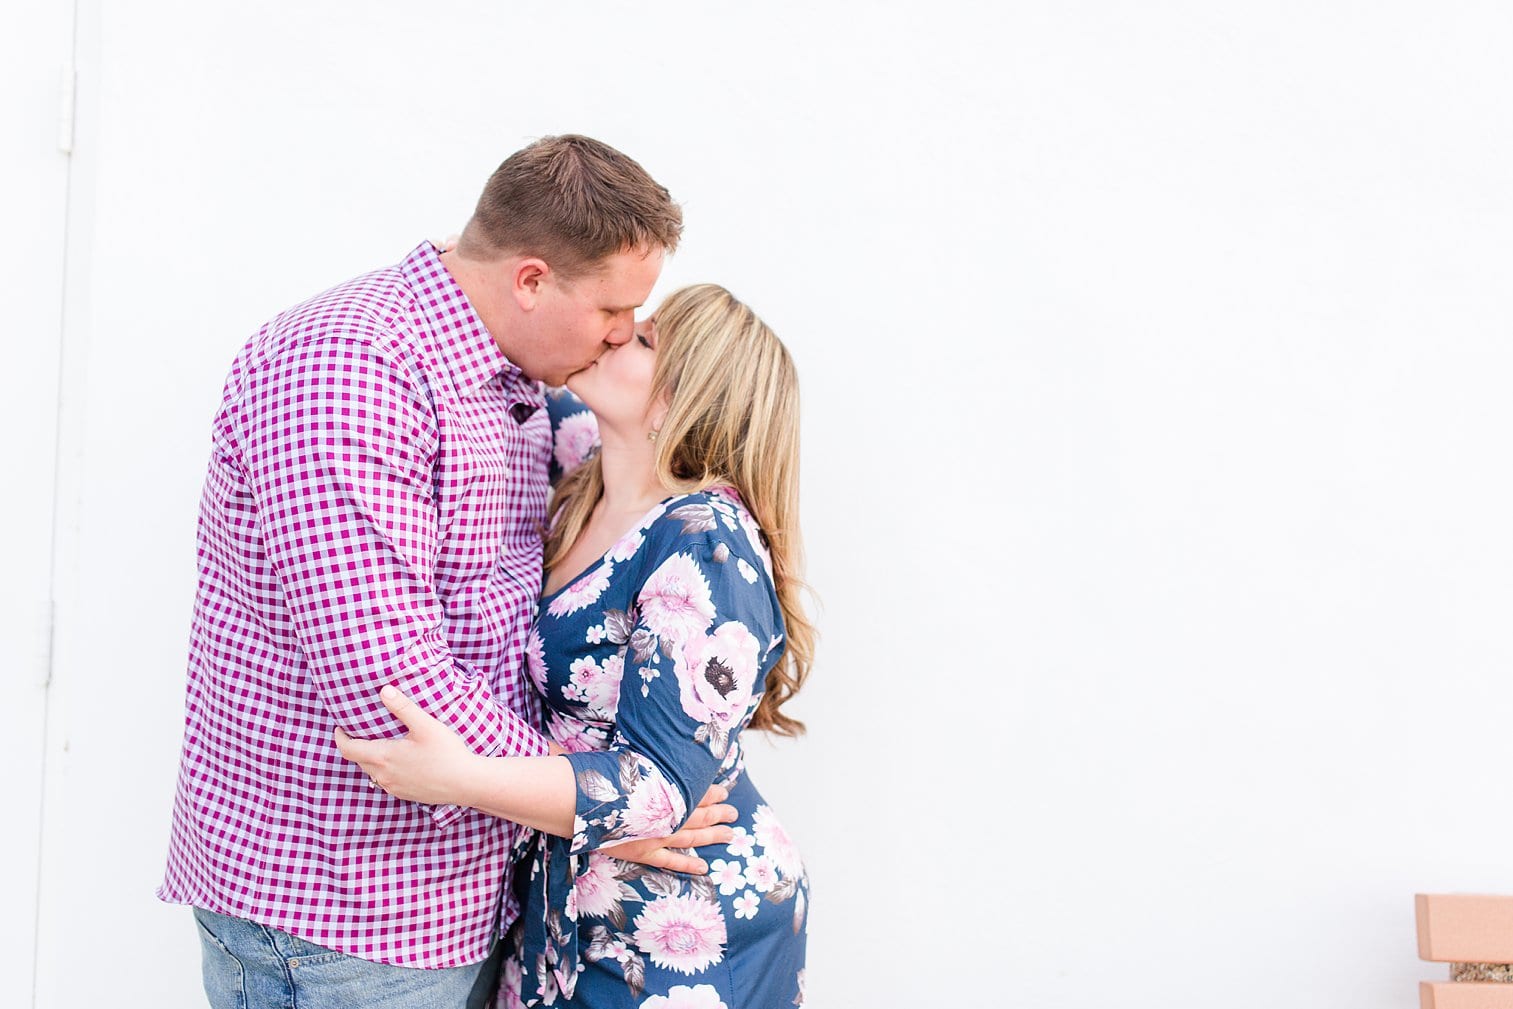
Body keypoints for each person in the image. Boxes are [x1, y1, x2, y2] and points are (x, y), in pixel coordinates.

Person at [158, 135, 737, 1009]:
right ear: (532, 280)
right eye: (616, 310)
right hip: (339, 913)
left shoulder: (521, 374)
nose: (623, 334)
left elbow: (647, 481)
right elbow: (390, 687)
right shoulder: (349, 370)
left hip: (455, 895)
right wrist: (598, 803)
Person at [338, 283, 813, 1008]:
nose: (617, 333)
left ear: (688, 400)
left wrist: (458, 777)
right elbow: (500, 318)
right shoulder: (585, 467)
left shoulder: (704, 542)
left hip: (680, 920)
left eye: (646, 340)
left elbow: (657, 788)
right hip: (567, 902)